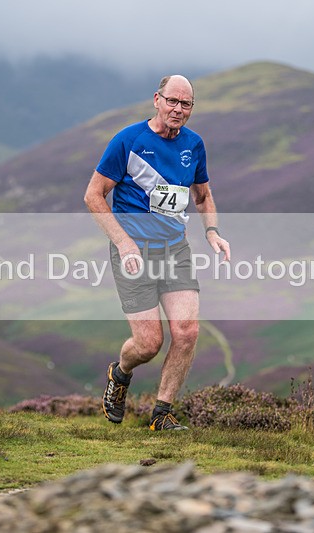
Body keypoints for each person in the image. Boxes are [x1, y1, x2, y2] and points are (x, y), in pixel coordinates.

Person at [84, 74, 230, 431]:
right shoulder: (128, 141)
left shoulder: (193, 145)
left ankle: (161, 414)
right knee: (149, 344)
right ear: (157, 99)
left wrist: (212, 231)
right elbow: (93, 195)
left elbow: (203, 194)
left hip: (174, 249)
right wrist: (123, 242)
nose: (178, 110)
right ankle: (120, 373)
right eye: (172, 101)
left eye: (186, 104)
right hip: (132, 252)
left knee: (187, 331)